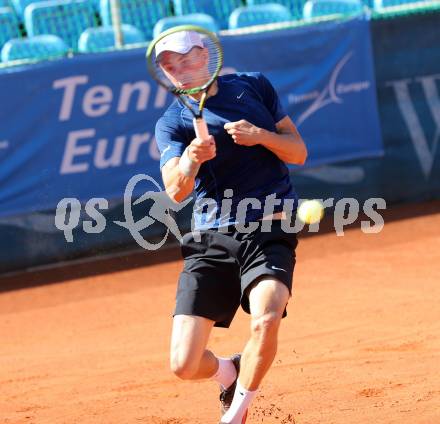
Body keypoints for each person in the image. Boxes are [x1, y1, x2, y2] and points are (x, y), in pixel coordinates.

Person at [154, 30, 307, 424]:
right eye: (170, 66)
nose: (180, 70)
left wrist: (262, 137)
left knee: (267, 317)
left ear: (206, 55)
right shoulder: (171, 123)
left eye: (187, 59)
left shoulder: (253, 86)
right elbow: (174, 191)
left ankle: (236, 414)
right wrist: (190, 160)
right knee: (184, 365)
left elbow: (298, 151)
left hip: (267, 228)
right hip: (210, 240)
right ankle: (228, 371)